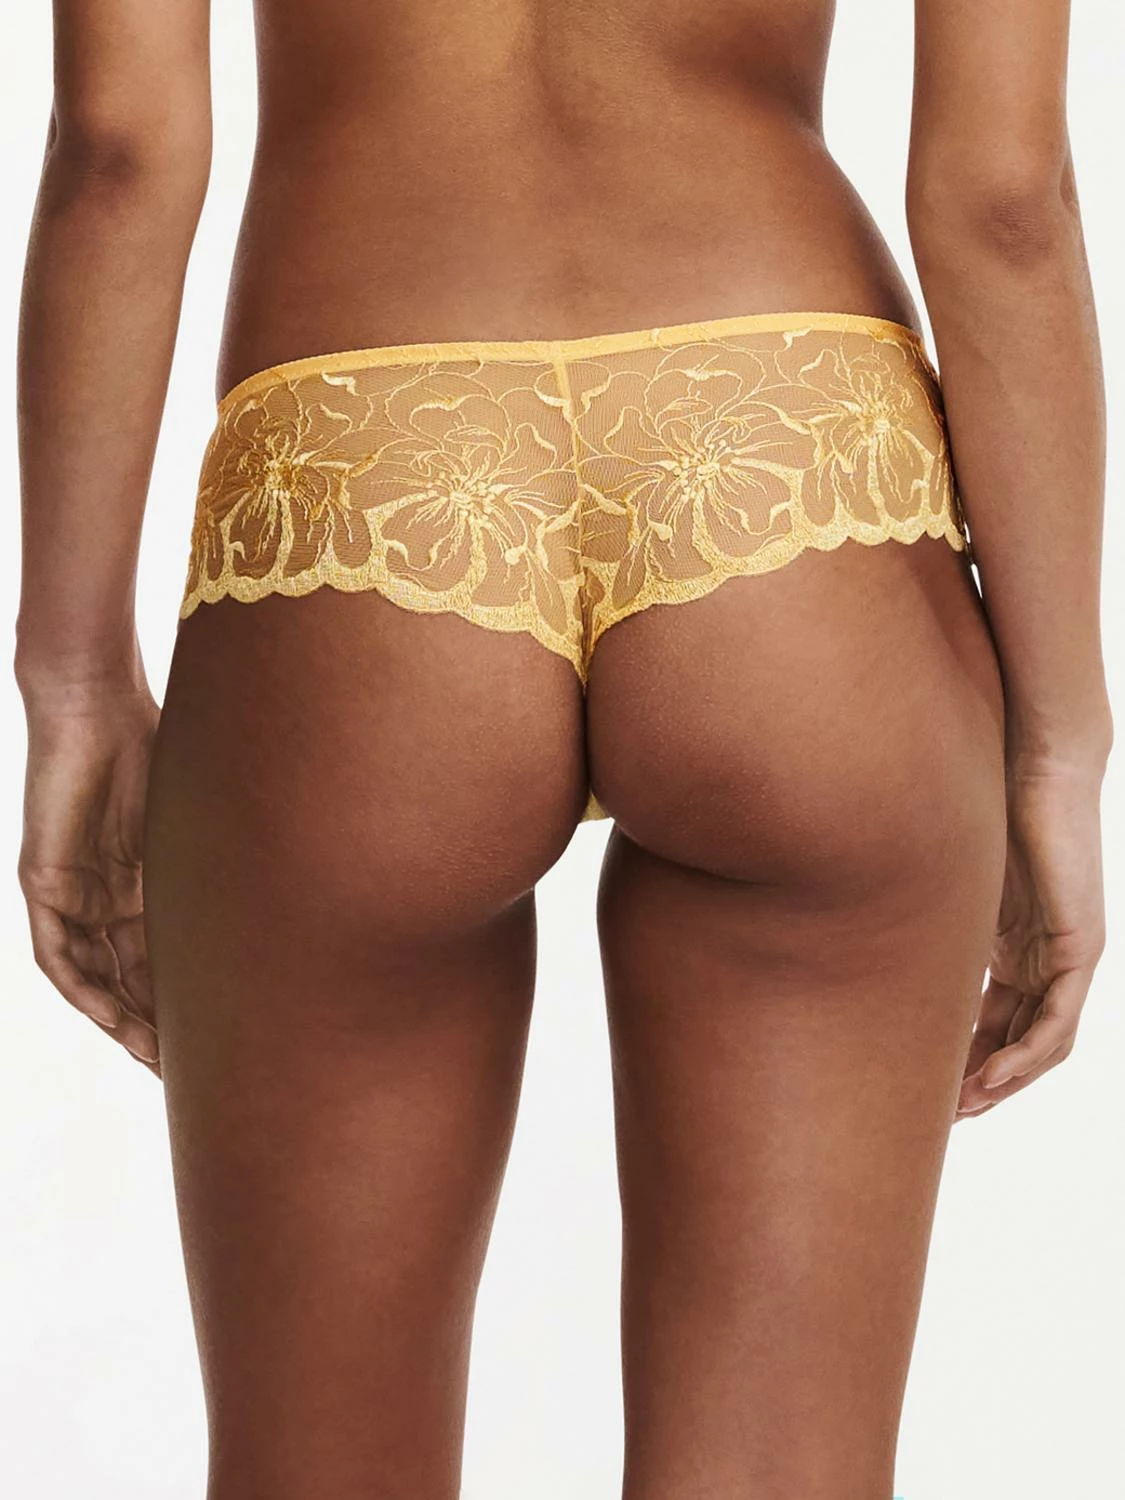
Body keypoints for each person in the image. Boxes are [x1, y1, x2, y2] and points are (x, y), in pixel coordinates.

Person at [15, 2, 1110, 1496]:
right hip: (787, 462)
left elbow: (120, 147)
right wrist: (1060, 740)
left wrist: (75, 677)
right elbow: (1003, 201)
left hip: (365, 454)